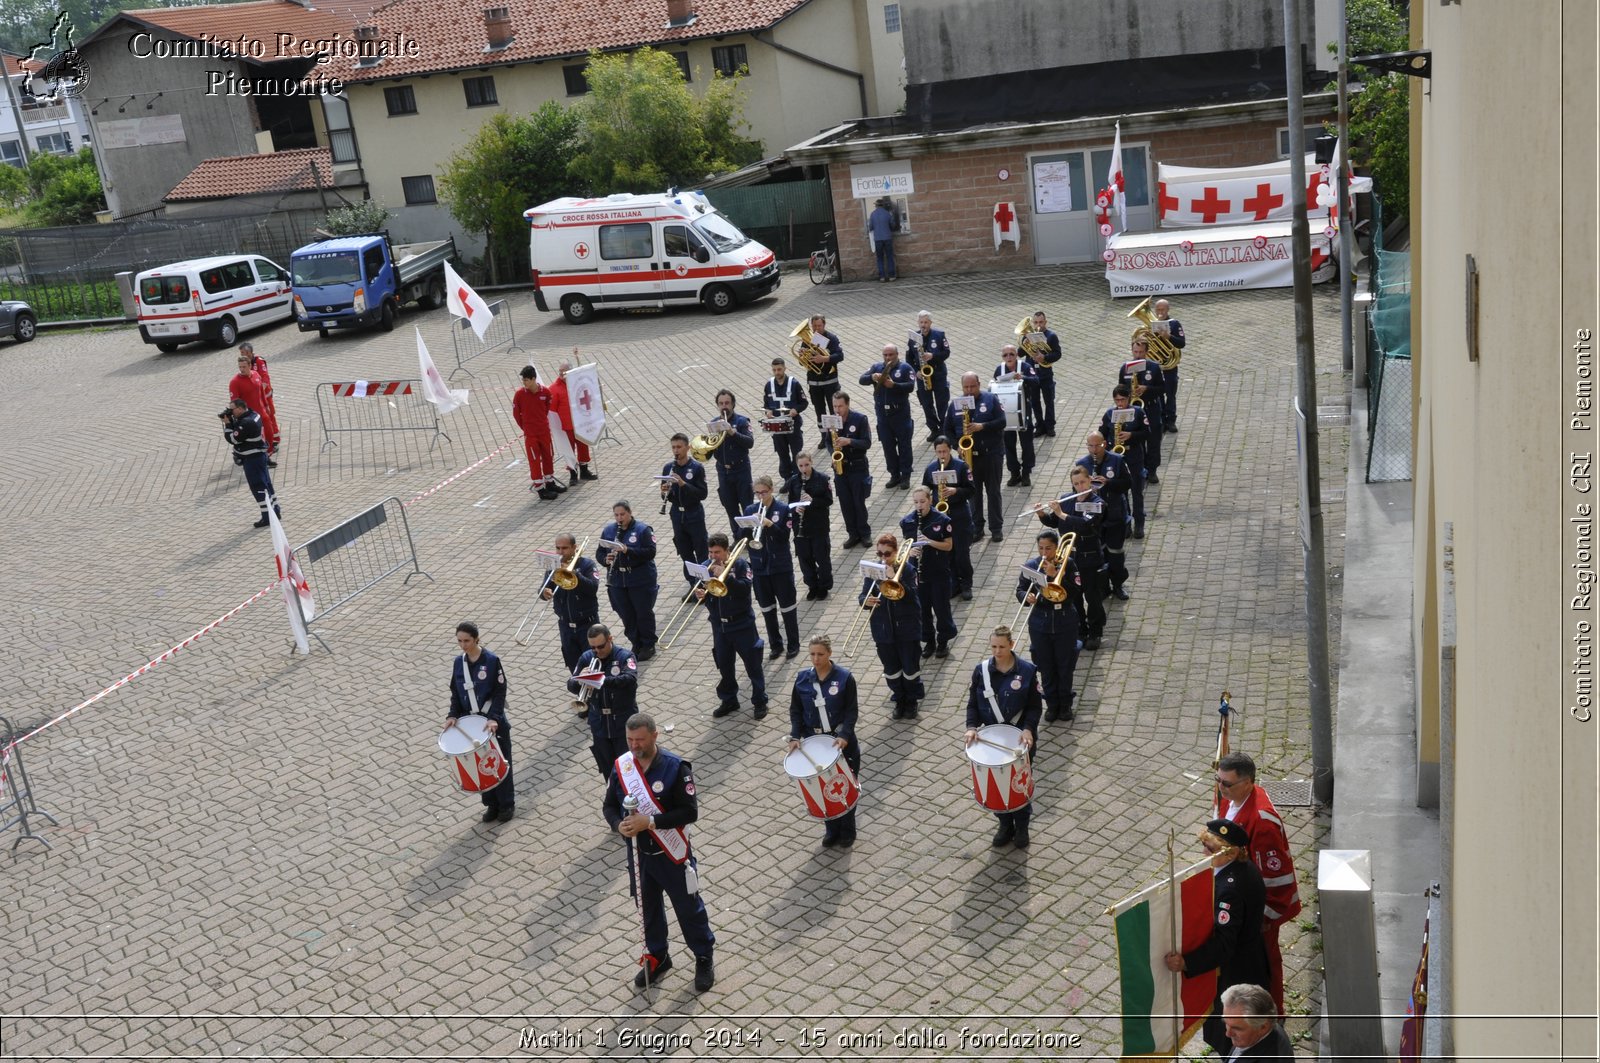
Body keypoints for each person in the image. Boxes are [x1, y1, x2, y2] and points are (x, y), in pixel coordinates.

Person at [602, 713, 716, 993]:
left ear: (655, 736)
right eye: (630, 740)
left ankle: (703, 956)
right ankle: (658, 956)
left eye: (640, 740)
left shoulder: (676, 768)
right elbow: (608, 806)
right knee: (648, 910)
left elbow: (690, 812)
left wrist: (650, 822)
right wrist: (619, 826)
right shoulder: (622, 767)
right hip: (640, 855)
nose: (634, 746)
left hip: (673, 854)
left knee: (688, 909)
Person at [1164, 819, 1270, 1057]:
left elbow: (1224, 944)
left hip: (1236, 973)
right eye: (1203, 843)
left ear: (1231, 852)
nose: (1203, 851)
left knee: (1232, 1035)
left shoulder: (1228, 890)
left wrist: (1187, 962)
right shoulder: (1244, 868)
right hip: (1251, 959)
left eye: (1210, 848)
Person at [1217, 751, 1304, 1017]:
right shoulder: (1234, 799)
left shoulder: (1262, 823)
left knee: (1265, 967)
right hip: (1238, 901)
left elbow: (1277, 880)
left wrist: (1262, 919)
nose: (1221, 788)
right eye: (1218, 781)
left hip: (1257, 915)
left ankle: (1272, 1016)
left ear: (1248, 783)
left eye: (1226, 784)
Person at [964, 626, 1042, 848]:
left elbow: (1035, 707)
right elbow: (972, 703)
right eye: (993, 647)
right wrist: (971, 727)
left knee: (1019, 784)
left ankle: (1022, 826)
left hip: (1018, 740)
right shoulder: (981, 671)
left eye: (1002, 647)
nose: (997, 651)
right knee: (996, 785)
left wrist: (1028, 729)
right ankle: (1005, 824)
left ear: (1012, 645)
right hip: (992, 740)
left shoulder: (1027, 670)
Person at [787, 636, 860, 848]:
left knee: (844, 786)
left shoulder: (845, 678)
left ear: (829, 653)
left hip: (840, 742)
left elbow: (851, 711)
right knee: (821, 787)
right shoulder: (802, 679)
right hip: (815, 742)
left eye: (820, 654)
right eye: (812, 654)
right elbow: (796, 711)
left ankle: (848, 829)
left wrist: (845, 735)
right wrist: (794, 736)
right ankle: (831, 829)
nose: (816, 659)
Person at [444, 621, 514, 823]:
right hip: (470, 723)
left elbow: (500, 692)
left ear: (477, 639)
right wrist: (452, 715)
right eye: (459, 641)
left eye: (467, 641)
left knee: (499, 762)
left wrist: (494, 718)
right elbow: (455, 693)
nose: (463, 645)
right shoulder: (459, 662)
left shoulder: (491, 660)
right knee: (480, 764)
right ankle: (491, 804)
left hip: (490, 721)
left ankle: (506, 804)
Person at [697, 533, 768, 719]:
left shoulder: (740, 565)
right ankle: (729, 700)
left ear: (727, 550)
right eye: (711, 552)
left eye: (718, 552)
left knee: (753, 664)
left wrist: (725, 577)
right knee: (724, 665)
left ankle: (760, 701)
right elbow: (710, 593)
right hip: (719, 626)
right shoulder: (706, 566)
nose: (713, 556)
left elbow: (745, 589)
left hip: (742, 624)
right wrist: (702, 595)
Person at [1017, 529, 1082, 722]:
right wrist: (1025, 597)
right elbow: (1020, 589)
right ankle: (1052, 704)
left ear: (1056, 547)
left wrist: (1054, 576)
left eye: (1049, 548)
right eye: (1041, 548)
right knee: (1045, 665)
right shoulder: (1032, 566)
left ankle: (1065, 704)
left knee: (1065, 664)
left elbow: (1076, 592)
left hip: (1064, 619)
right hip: (1040, 621)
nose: (1044, 552)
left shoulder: (1068, 563)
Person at [1041, 465, 1107, 649]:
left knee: (1092, 596)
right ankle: (1080, 629)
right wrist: (1042, 514)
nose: (1080, 486)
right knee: (1073, 596)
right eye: (1076, 483)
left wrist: (1061, 513)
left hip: (1089, 557)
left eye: (1083, 482)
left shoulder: (1097, 503)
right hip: (1069, 559)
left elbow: (1085, 525)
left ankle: (1095, 631)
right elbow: (1054, 522)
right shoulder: (1066, 500)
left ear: (1090, 480)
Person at [860, 532, 923, 718]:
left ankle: (911, 700)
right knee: (891, 669)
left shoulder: (908, 570)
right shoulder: (873, 571)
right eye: (880, 554)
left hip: (907, 629)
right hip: (883, 630)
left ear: (896, 552)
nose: (883, 558)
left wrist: (896, 577)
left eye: (887, 554)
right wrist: (866, 601)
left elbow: (913, 596)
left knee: (910, 668)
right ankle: (899, 698)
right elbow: (863, 595)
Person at [942, 372, 1007, 542]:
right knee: (973, 493)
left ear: (979, 384)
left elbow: (1002, 422)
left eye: (973, 386)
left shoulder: (991, 399)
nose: (969, 390)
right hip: (969, 458)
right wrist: (957, 446)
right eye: (966, 387)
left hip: (991, 454)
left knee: (993, 492)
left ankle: (996, 528)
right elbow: (947, 430)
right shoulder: (955, 405)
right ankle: (977, 528)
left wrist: (982, 426)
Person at [541, 532, 602, 711]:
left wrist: (575, 574)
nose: (561, 552)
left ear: (574, 548)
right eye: (558, 548)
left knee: (592, 661)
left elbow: (593, 588)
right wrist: (545, 592)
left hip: (587, 624)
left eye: (565, 548)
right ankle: (583, 698)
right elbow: (545, 587)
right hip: (565, 625)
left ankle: (596, 698)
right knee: (573, 662)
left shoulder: (587, 565)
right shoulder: (554, 565)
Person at [569, 623, 638, 779]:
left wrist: (600, 680)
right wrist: (581, 680)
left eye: (600, 646)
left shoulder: (625, 656)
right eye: (593, 647)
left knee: (630, 769)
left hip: (623, 721)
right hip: (599, 722)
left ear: (610, 639)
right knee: (608, 770)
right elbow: (570, 684)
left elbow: (630, 679)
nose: (597, 651)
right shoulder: (587, 658)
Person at [745, 476, 800, 660]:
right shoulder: (751, 510)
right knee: (767, 610)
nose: (761, 496)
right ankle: (775, 645)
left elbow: (784, 537)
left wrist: (769, 524)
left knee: (788, 608)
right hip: (760, 568)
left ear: (772, 490)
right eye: (757, 493)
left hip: (780, 567)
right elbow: (742, 537)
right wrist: (745, 526)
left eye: (764, 492)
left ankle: (793, 644)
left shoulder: (783, 509)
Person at [597, 501, 659, 660]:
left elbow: (650, 552)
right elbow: (599, 553)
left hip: (639, 579)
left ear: (630, 513)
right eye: (616, 515)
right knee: (626, 614)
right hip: (618, 580)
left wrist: (627, 550)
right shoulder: (609, 530)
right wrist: (606, 559)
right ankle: (636, 642)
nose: (619, 518)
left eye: (622, 514)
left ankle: (648, 644)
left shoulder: (642, 530)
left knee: (643, 613)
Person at [901, 486, 956, 659]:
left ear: (930, 500)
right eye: (916, 502)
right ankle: (929, 641)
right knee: (922, 610)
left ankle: (943, 641)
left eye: (923, 502)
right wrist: (910, 552)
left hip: (938, 571)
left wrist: (930, 542)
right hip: (918, 573)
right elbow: (905, 545)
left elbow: (949, 545)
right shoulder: (908, 522)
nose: (919, 506)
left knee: (941, 609)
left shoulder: (942, 520)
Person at [1077, 432, 1133, 599]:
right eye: (1091, 446)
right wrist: (1086, 489)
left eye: (1098, 445)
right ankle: (1103, 587)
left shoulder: (1117, 460)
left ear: (1105, 444)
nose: (1094, 449)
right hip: (1094, 520)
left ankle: (1118, 584)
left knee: (1115, 553)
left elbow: (1128, 484)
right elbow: (1076, 490)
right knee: (1098, 555)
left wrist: (1108, 483)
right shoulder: (1082, 465)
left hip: (1115, 516)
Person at [923, 437, 975, 600]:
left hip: (959, 514)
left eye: (945, 451)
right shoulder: (931, 468)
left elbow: (971, 489)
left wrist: (956, 491)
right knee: (948, 553)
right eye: (939, 452)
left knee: (961, 553)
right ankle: (955, 584)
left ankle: (966, 583)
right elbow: (926, 489)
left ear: (950, 449)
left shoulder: (961, 466)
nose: (942, 455)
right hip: (941, 516)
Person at [859, 343, 917, 488]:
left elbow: (910, 386)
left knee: (904, 446)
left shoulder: (905, 368)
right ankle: (894, 474)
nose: (888, 357)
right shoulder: (877, 367)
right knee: (888, 446)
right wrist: (872, 377)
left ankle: (905, 475)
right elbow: (862, 379)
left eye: (891, 355)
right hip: (883, 416)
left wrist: (894, 385)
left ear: (897, 355)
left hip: (900, 414)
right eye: (885, 355)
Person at [1101, 384, 1152, 540]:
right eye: (1117, 400)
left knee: (1137, 491)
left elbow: (1147, 433)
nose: (1120, 403)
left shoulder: (1137, 412)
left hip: (1134, 455)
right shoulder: (1110, 414)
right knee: (1121, 493)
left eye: (1123, 399)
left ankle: (1139, 523)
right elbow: (1103, 432)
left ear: (1128, 398)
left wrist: (1131, 435)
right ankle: (1126, 524)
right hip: (1116, 457)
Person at [220, 398, 281, 528]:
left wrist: (228, 424)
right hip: (259, 457)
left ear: (241, 409)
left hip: (252, 460)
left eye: (232, 409)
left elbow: (233, 439)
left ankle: (267, 517)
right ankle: (275, 511)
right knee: (267, 484)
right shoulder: (254, 414)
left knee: (258, 487)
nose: (230, 412)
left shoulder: (246, 423)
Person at [660, 433, 709, 585]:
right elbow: (665, 497)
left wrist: (683, 484)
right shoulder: (668, 468)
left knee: (701, 550)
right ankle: (693, 584)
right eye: (673, 447)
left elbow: (703, 494)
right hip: (677, 515)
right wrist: (664, 492)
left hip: (693, 513)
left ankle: (705, 583)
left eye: (679, 447)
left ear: (687, 448)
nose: (676, 451)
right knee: (684, 551)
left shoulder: (696, 468)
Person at [785, 451, 834, 600]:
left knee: (822, 557)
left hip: (818, 525)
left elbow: (828, 501)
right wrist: (796, 508)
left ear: (811, 462)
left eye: (806, 465)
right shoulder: (794, 481)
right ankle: (812, 585)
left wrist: (812, 501)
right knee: (805, 560)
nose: (804, 468)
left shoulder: (823, 479)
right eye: (800, 466)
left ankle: (824, 586)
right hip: (801, 528)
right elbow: (790, 503)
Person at [1118, 338, 1166, 482]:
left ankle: (1152, 470)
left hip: (1151, 407)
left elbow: (1162, 389)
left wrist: (1147, 389)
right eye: (1135, 351)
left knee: (1153, 440)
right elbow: (1120, 388)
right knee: (1136, 439)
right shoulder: (1125, 368)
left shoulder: (1154, 367)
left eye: (1141, 352)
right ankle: (1140, 468)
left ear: (1146, 352)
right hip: (1133, 409)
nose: (1137, 355)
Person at [830, 391, 874, 548]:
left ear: (847, 404)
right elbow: (828, 442)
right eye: (835, 406)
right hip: (840, 468)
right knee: (845, 503)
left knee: (858, 502)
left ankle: (865, 533)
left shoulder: (860, 419)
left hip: (857, 467)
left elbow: (867, 443)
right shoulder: (831, 420)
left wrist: (849, 441)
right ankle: (852, 534)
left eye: (840, 406)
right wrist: (833, 454)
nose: (837, 410)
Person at [710, 389, 756, 534]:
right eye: (721, 403)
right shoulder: (714, 424)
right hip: (723, 471)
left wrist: (732, 432)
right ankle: (738, 537)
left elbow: (749, 442)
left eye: (727, 403)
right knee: (730, 507)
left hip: (741, 469)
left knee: (747, 506)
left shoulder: (742, 421)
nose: (724, 406)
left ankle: (749, 536)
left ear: (733, 404)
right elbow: (711, 447)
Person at [514, 365, 563, 500]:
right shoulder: (519, 395)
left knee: (548, 456)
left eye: (526, 380)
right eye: (523, 380)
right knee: (534, 460)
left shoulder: (545, 392)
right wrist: (526, 428)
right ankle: (540, 489)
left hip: (544, 432)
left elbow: (546, 408)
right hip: (531, 435)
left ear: (534, 379)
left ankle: (549, 482)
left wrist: (541, 422)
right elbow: (516, 414)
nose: (524, 383)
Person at [551, 355, 599, 485]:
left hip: (580, 423)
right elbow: (552, 411)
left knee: (583, 446)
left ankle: (584, 471)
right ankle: (573, 474)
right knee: (569, 450)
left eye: (564, 371)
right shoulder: (554, 389)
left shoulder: (577, 384)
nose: (561, 374)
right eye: (560, 371)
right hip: (566, 426)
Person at [994, 344, 1037, 488]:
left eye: (1011, 354)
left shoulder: (1024, 366)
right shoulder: (999, 369)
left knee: (1027, 444)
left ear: (1016, 355)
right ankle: (1014, 472)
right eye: (1005, 355)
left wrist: (1023, 377)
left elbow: (1036, 381)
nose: (1008, 357)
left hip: (1024, 410)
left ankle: (1026, 472)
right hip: (1006, 413)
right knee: (1008, 444)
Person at [1217, 984, 1295, 1060]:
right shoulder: (1254, 1035)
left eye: (1237, 1028)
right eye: (1226, 1023)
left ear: (1263, 1027)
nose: (1228, 1034)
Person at [908, 310, 952, 442]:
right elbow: (909, 358)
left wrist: (933, 356)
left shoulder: (939, 335)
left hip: (938, 374)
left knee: (942, 403)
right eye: (921, 322)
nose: (923, 325)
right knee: (926, 404)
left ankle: (944, 430)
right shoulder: (913, 337)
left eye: (926, 322)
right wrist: (916, 372)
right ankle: (934, 429)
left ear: (930, 323)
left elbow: (947, 352)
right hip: (922, 376)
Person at [763, 357, 808, 482]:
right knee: (782, 454)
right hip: (777, 427)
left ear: (784, 369)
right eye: (774, 370)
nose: (777, 372)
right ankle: (787, 479)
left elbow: (804, 402)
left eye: (779, 369)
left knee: (796, 454)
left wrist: (796, 410)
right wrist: (768, 411)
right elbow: (766, 404)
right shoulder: (769, 385)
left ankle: (797, 478)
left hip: (793, 426)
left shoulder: (794, 384)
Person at [230, 351, 280, 462]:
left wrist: (266, 406)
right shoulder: (235, 382)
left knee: (269, 434)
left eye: (244, 366)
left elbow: (261, 393)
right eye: (240, 367)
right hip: (250, 417)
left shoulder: (256, 375)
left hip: (262, 412)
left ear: (250, 366)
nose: (242, 369)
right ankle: (261, 459)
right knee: (255, 440)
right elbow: (235, 402)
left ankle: (268, 454)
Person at [801, 314, 845, 437]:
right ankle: (823, 437)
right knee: (819, 411)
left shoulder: (831, 338)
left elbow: (840, 356)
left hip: (830, 381)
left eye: (819, 326)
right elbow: (802, 362)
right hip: (814, 383)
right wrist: (802, 356)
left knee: (833, 410)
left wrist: (824, 358)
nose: (816, 328)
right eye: (814, 326)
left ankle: (835, 436)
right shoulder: (807, 340)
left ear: (824, 325)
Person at [1021, 310, 1062, 436]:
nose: (1038, 325)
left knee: (1048, 400)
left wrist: (1044, 357)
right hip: (1032, 374)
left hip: (1045, 373)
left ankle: (1050, 426)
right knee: (1034, 402)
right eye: (1036, 322)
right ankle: (1039, 425)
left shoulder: (1051, 336)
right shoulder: (1028, 335)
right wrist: (1025, 341)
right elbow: (1020, 353)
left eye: (1041, 322)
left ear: (1045, 322)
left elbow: (1057, 354)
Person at [1152, 298, 1187, 433]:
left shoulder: (1174, 324)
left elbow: (1182, 343)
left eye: (1163, 310)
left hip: (1169, 365)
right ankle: (1161, 420)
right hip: (1156, 365)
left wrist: (1169, 337)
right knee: (1158, 394)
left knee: (1171, 394)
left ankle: (1171, 420)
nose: (1160, 312)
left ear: (1168, 310)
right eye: (1158, 310)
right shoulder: (1150, 325)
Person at [868, 196, 898, 281]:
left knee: (880, 258)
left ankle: (882, 277)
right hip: (887, 238)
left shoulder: (872, 214)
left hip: (878, 239)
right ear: (883, 206)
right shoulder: (887, 214)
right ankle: (892, 276)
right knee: (889, 257)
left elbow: (870, 227)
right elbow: (892, 225)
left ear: (876, 206)